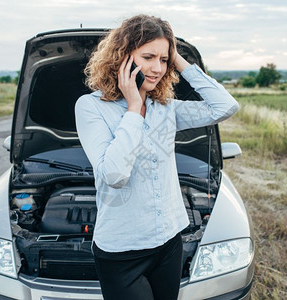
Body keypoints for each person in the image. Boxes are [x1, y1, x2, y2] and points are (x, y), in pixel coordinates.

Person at [75, 14, 239, 300]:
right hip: (122, 250)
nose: (157, 68)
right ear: (122, 57)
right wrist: (134, 108)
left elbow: (225, 107)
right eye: (148, 56)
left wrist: (179, 60)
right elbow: (114, 175)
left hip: (169, 242)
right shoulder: (91, 107)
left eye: (163, 60)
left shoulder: (165, 108)